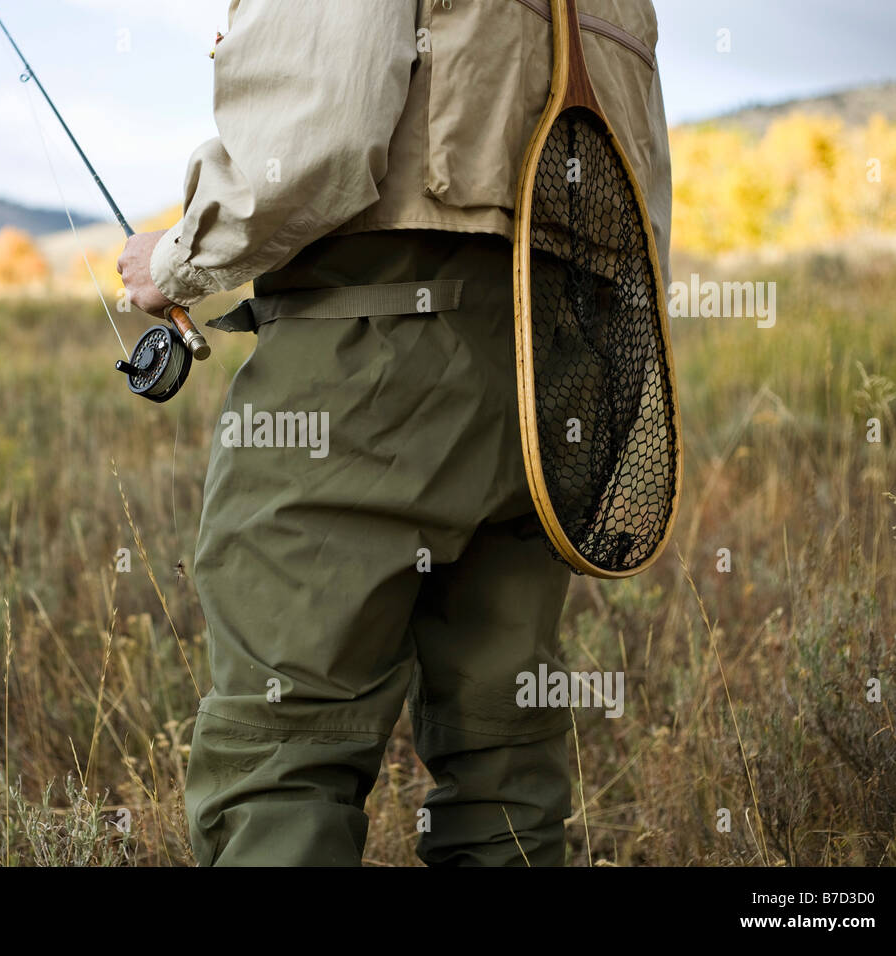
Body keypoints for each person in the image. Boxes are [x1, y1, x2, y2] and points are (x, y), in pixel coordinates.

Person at [117, 0, 671, 866]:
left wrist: (178, 257)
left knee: (285, 750)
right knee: (505, 758)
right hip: (561, 355)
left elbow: (312, 141)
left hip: (373, 339)